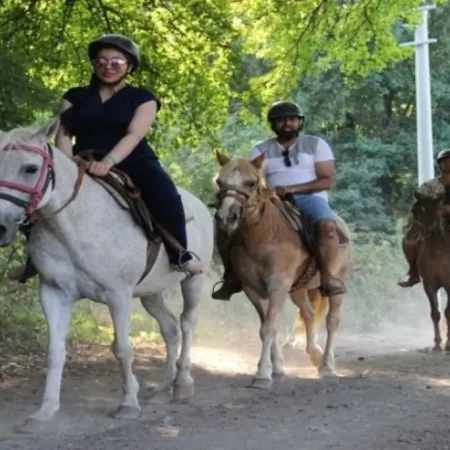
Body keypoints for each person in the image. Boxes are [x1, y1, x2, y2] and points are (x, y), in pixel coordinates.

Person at [8, 33, 203, 282]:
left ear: (129, 66)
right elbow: (64, 134)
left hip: (132, 159)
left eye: (116, 62)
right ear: (93, 64)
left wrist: (108, 162)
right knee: (36, 193)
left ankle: (180, 253)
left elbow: (134, 135)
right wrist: (67, 164)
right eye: (101, 61)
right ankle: (35, 259)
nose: (107, 67)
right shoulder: (75, 97)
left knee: (165, 193)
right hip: (81, 159)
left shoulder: (143, 98)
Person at [212, 100, 346, 300]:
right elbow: (254, 180)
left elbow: (327, 180)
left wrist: (292, 189)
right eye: (281, 120)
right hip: (272, 198)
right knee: (224, 223)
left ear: (300, 122)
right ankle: (231, 276)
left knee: (327, 227)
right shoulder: (260, 149)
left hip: (311, 197)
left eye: (292, 119)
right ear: (273, 124)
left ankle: (327, 277)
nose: (287, 124)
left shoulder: (316, 144)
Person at [398, 149, 450, 287]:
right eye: (444, 162)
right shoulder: (430, 185)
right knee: (409, 239)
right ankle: (413, 271)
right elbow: (418, 202)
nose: (447, 164)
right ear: (439, 165)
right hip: (432, 221)